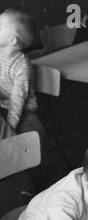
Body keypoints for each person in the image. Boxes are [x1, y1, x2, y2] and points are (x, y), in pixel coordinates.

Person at [0, 9, 44, 139]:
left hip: (23, 109)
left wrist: (10, 127)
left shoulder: (22, 65)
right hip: (2, 104)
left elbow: (17, 99)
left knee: (31, 135)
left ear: (12, 41)